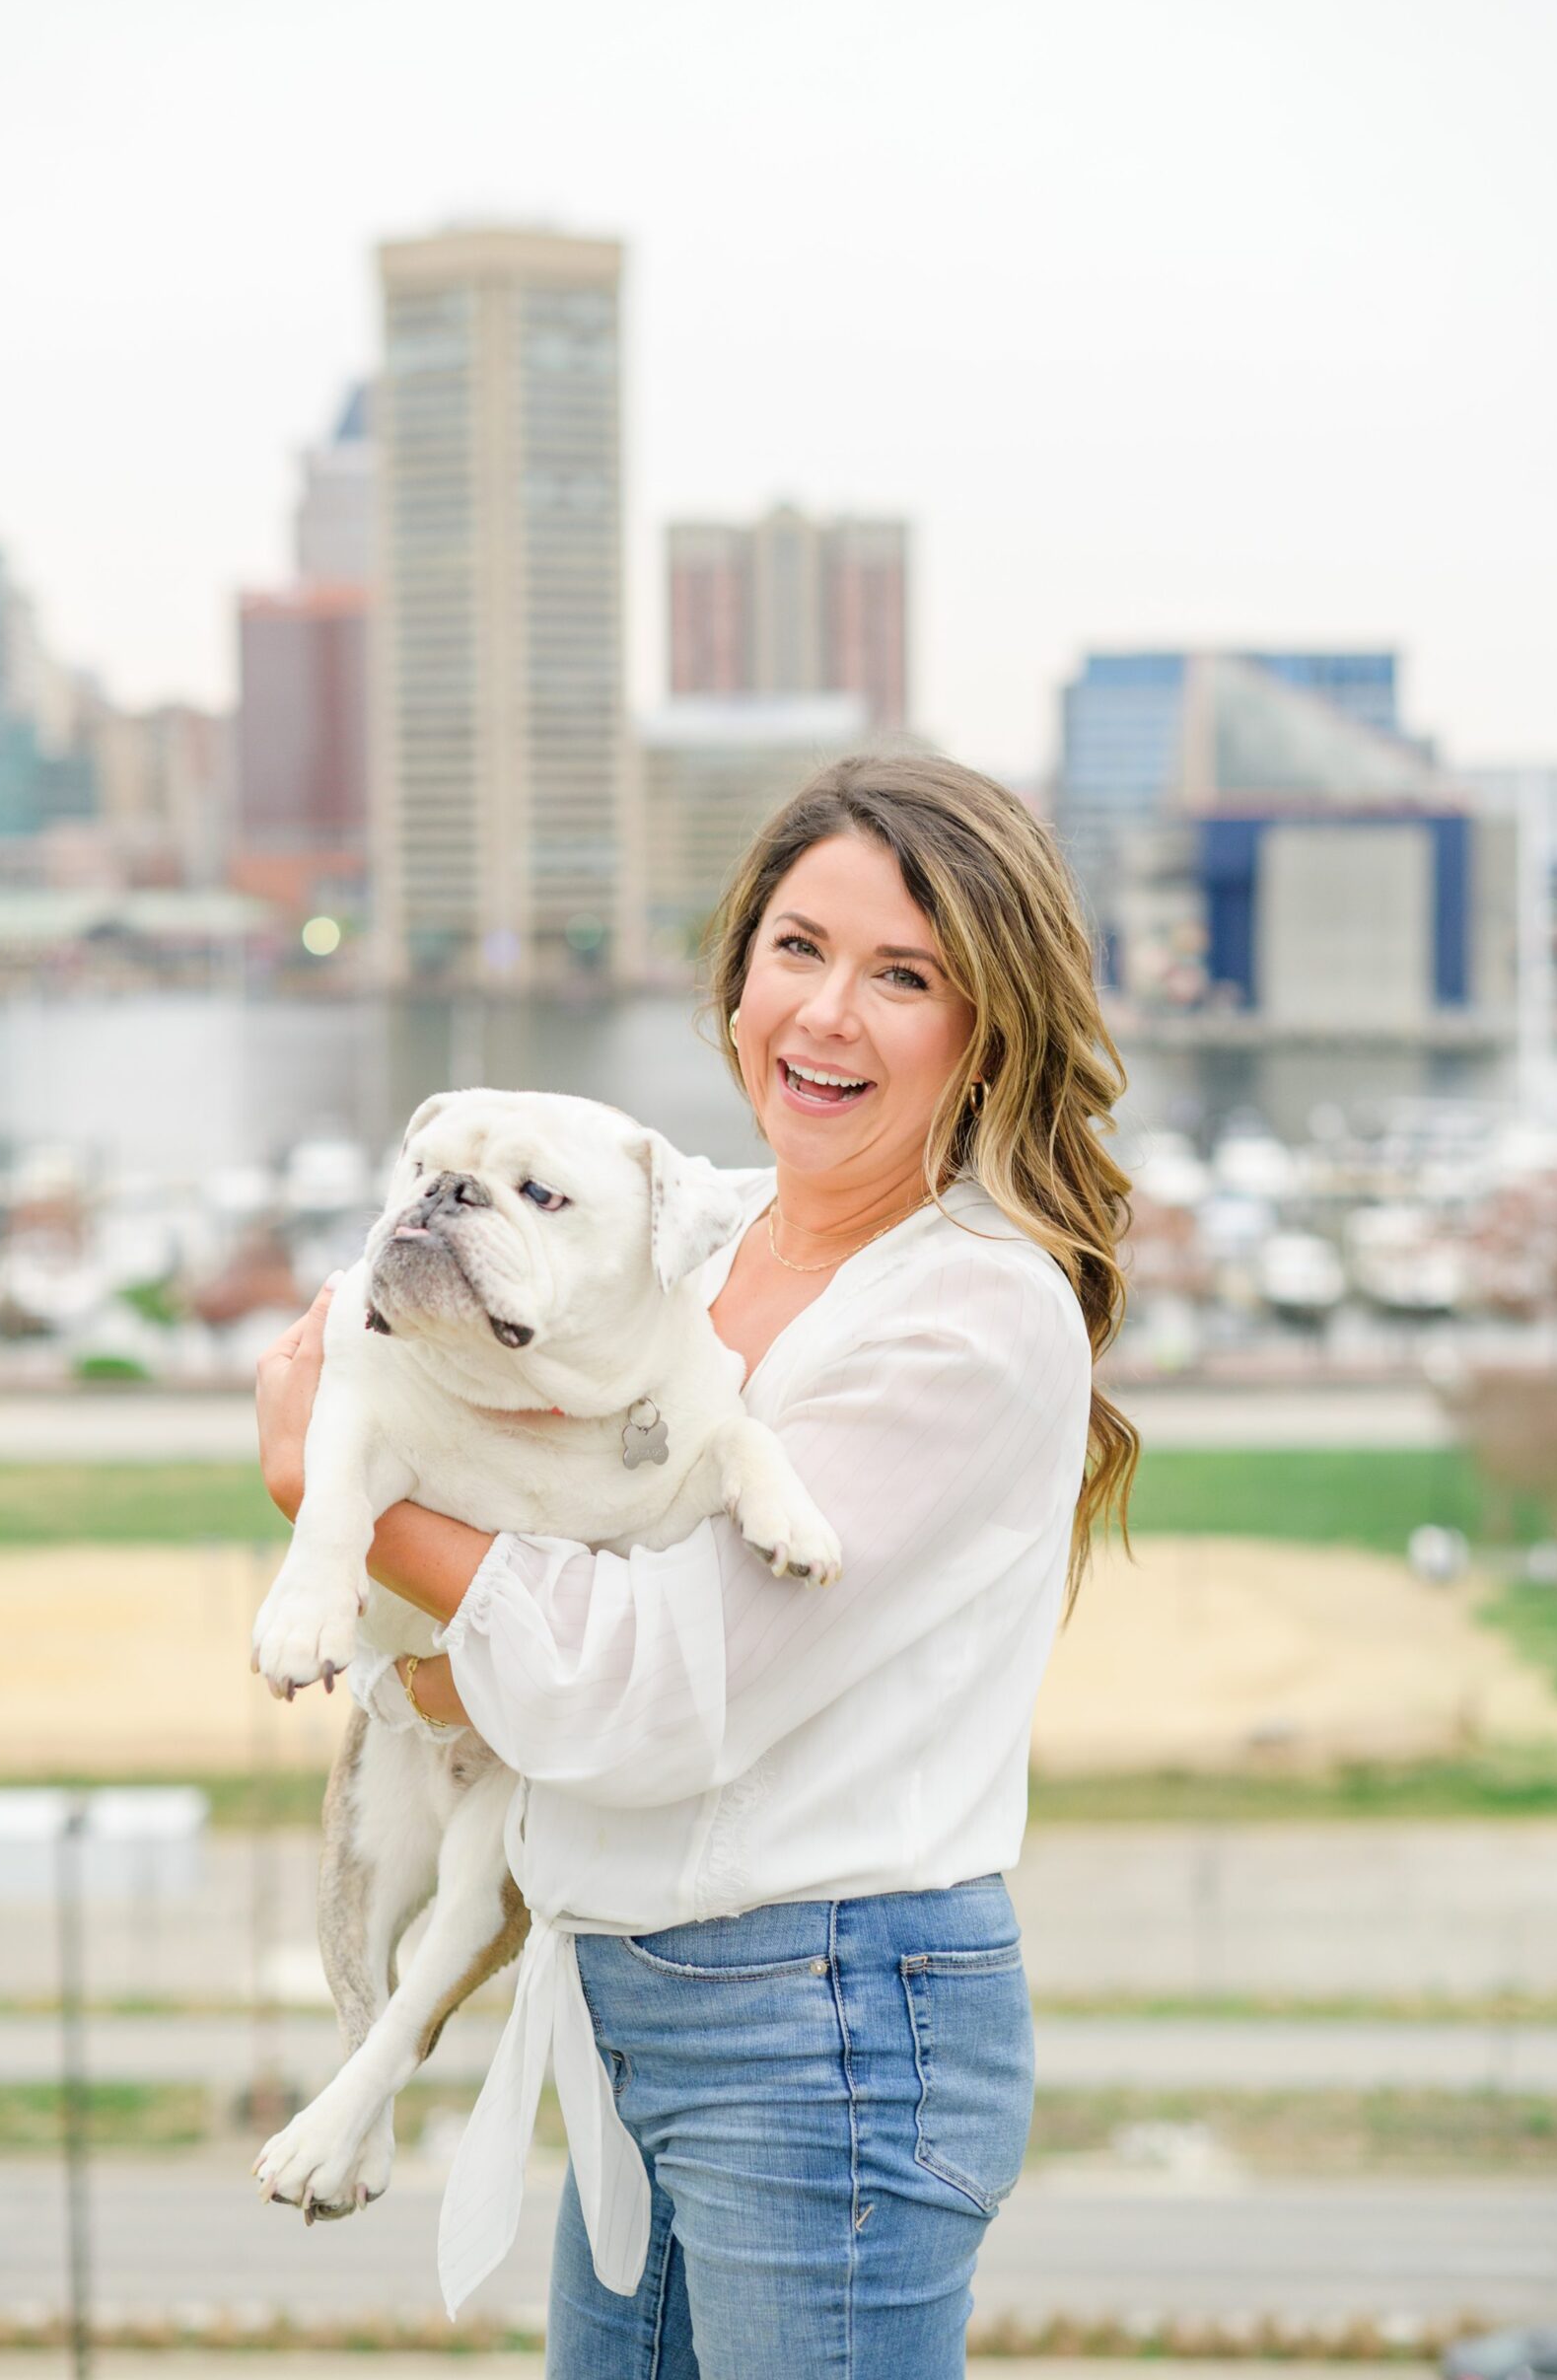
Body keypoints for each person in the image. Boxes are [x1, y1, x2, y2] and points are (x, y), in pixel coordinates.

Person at [256, 752, 1137, 2380]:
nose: (825, 1015)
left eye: (905, 977)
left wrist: (346, 1504)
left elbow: (645, 1699)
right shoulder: (696, 1234)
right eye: (796, 949)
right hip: (625, 1999)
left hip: (825, 2028)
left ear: (987, 1025)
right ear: (736, 967)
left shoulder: (970, 1314)